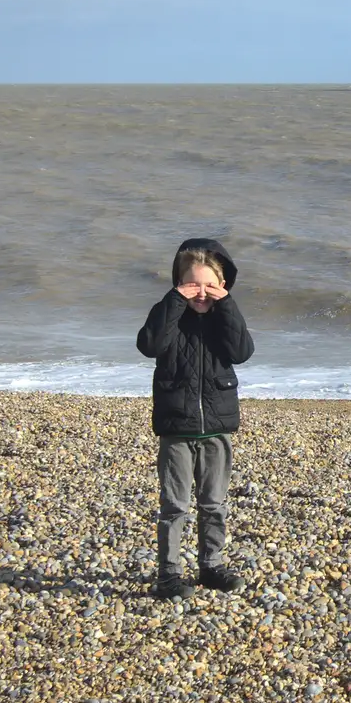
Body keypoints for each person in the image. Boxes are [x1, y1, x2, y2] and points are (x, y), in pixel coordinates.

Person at [136, 237, 255, 599]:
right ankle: (168, 575)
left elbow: (242, 351)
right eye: (193, 285)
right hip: (176, 428)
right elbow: (149, 345)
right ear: (178, 283)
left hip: (217, 428)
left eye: (210, 286)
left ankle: (211, 566)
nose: (201, 293)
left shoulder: (224, 319)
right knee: (174, 506)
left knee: (214, 503)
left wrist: (228, 305)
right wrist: (175, 301)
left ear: (222, 285)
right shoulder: (170, 314)